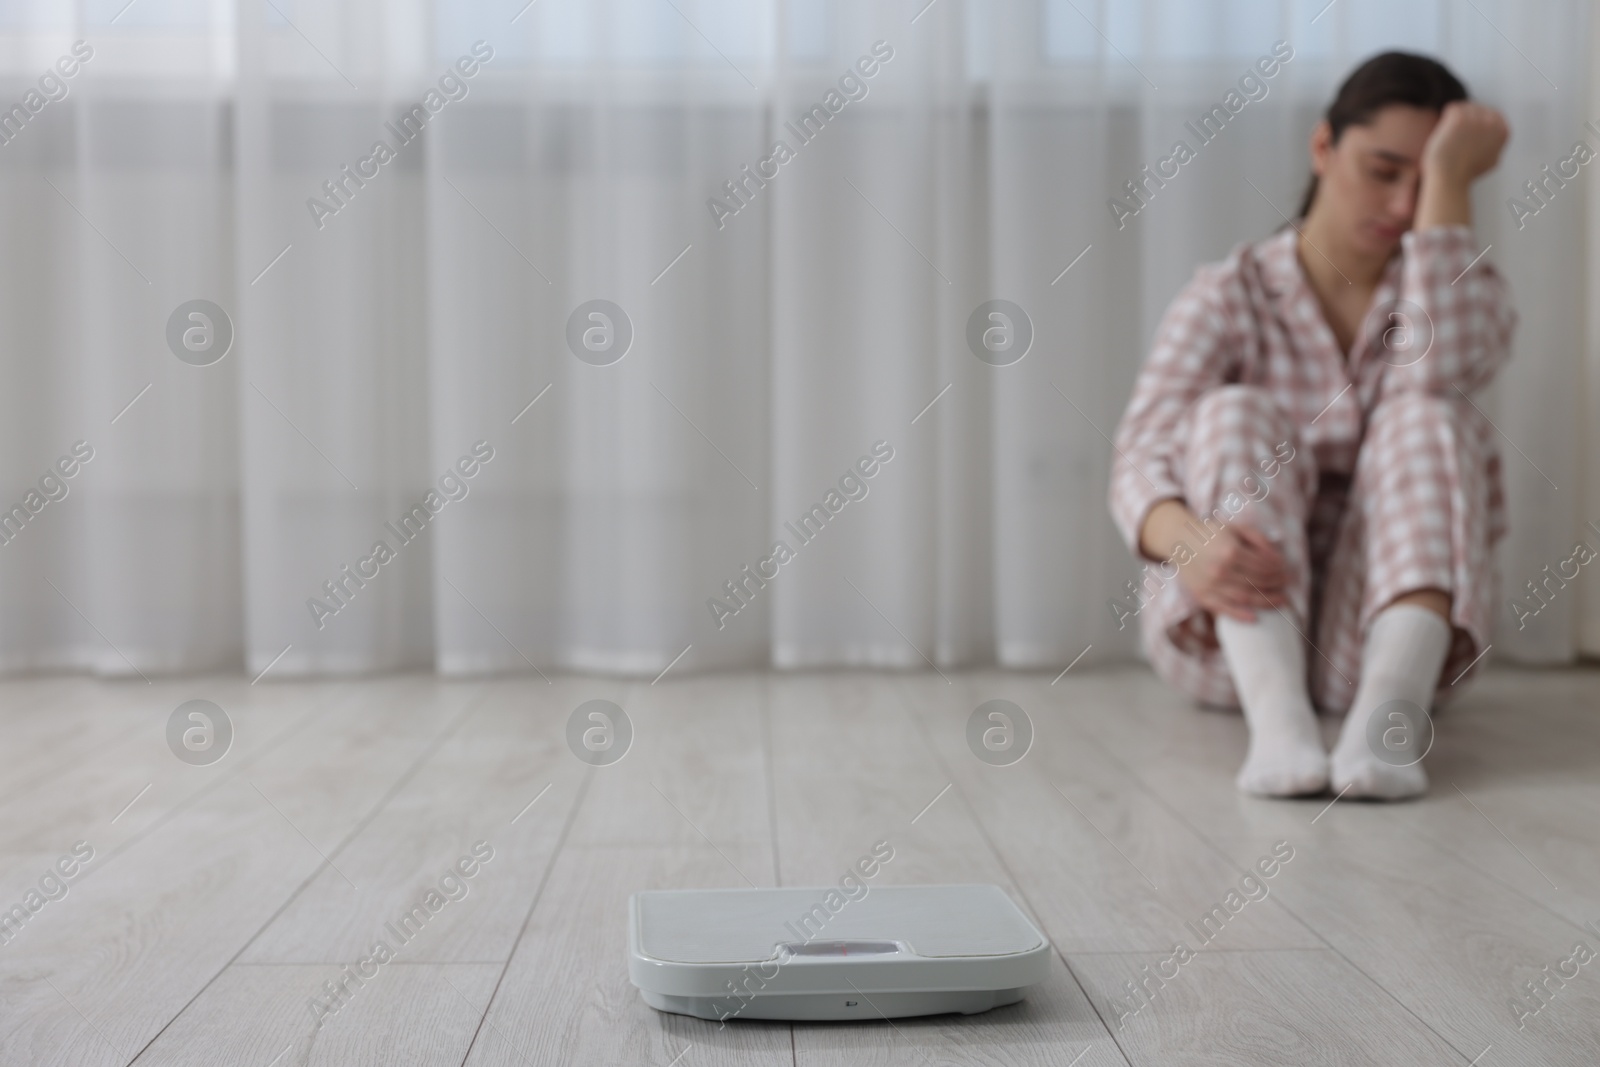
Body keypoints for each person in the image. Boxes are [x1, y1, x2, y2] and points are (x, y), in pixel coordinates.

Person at [1107, 52, 1513, 799]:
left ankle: (1385, 725)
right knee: (1232, 410)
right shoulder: (1228, 293)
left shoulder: (1455, 293)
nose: (1402, 202)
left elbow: (1439, 372)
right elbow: (1137, 457)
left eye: (1428, 182)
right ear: (1324, 148)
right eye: (1384, 169)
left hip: (1393, 654)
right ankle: (1279, 724)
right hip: (1231, 642)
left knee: (1428, 413)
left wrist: (1454, 186)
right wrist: (1187, 541)